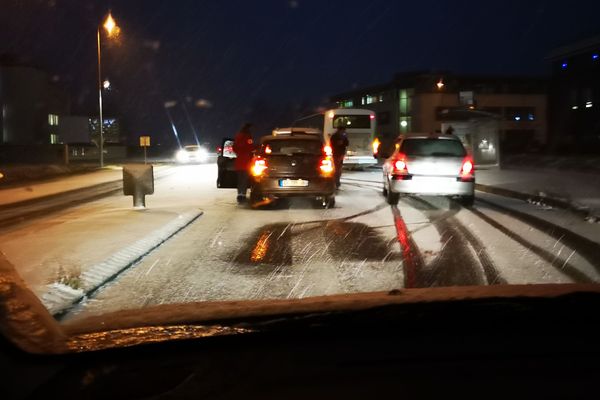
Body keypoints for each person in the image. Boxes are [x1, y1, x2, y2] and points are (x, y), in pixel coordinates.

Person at [232, 123, 255, 203]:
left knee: (240, 179)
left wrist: (238, 152)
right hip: (246, 162)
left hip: (239, 162)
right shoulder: (248, 137)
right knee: (244, 179)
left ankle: (239, 194)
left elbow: (234, 147)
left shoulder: (238, 136)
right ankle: (243, 195)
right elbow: (251, 147)